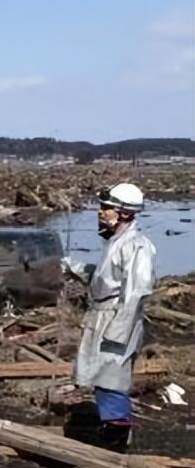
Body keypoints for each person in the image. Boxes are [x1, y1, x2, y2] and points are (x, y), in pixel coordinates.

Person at [61, 183, 155, 451]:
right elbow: (106, 279)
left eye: (107, 209)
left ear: (124, 214)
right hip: (103, 315)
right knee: (101, 377)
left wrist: (118, 331)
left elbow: (136, 291)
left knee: (112, 376)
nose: (101, 213)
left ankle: (116, 437)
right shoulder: (115, 242)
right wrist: (75, 268)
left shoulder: (137, 246)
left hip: (116, 318)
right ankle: (110, 428)